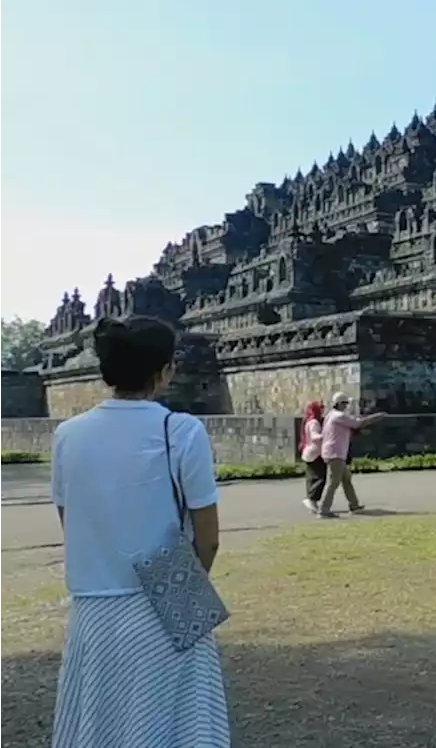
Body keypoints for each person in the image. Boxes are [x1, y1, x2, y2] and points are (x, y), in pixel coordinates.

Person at [49, 316, 230, 746]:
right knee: (182, 726)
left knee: (102, 724)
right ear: (164, 371)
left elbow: (70, 518)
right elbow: (209, 537)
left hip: (93, 605)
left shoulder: (67, 435)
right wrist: (182, 583)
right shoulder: (182, 430)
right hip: (171, 592)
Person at [317, 392, 387, 519]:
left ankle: (354, 505)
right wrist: (375, 417)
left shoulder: (330, 415)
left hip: (332, 451)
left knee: (346, 479)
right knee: (333, 482)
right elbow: (358, 423)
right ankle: (323, 510)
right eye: (345, 403)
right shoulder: (339, 416)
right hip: (335, 452)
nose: (346, 406)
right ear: (338, 404)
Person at [300, 399, 326, 513]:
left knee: (312, 477)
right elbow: (315, 436)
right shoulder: (314, 422)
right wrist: (327, 435)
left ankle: (312, 500)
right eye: (321, 408)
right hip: (315, 453)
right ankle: (312, 498)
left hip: (310, 452)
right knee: (321, 477)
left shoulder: (308, 420)